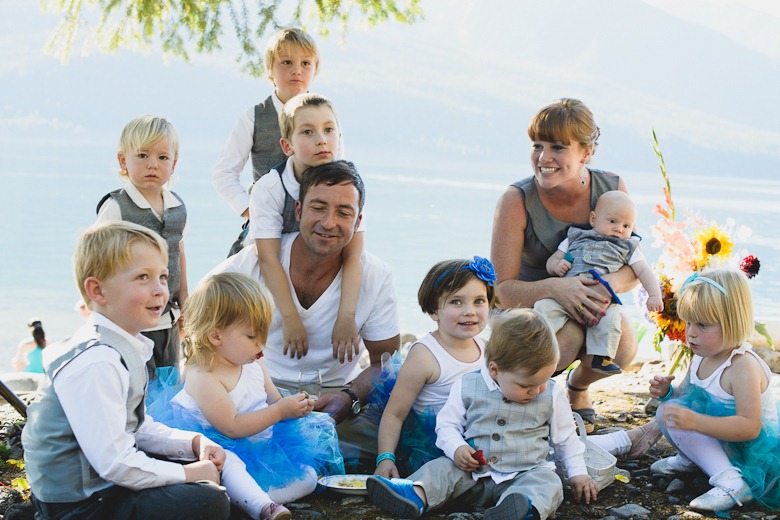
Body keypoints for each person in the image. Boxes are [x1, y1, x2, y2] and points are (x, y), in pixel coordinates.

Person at [22, 221, 230, 520]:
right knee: (206, 502)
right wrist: (187, 474)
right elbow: (115, 462)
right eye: (142, 277)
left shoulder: (123, 345)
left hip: (102, 487)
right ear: (97, 290)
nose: (160, 290)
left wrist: (191, 444)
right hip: (80, 506)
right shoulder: (97, 361)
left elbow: (134, 427)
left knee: (203, 470)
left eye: (162, 276)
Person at [209, 160, 399, 469]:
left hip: (333, 405)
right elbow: (199, 330)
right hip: (256, 400)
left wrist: (348, 397)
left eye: (343, 213)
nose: (328, 222)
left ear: (358, 220)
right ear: (298, 211)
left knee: (398, 435)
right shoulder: (250, 265)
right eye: (318, 208)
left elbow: (386, 362)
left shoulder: (375, 275)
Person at [490, 98, 639, 432]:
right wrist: (558, 288)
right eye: (537, 146)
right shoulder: (516, 200)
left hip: (589, 297)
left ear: (586, 153)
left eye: (557, 147)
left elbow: (633, 265)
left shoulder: (612, 189)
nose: (544, 158)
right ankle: (530, 399)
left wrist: (603, 286)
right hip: (528, 306)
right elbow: (499, 292)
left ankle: (577, 388)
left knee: (624, 344)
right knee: (566, 338)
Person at [366, 309, 599, 520]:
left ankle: (522, 508)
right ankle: (415, 495)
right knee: (442, 469)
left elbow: (566, 439)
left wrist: (578, 473)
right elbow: (447, 425)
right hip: (473, 474)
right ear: (494, 369)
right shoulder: (468, 385)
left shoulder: (552, 394)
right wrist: (457, 448)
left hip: (524, 473)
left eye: (543, 382)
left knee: (548, 483)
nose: (537, 390)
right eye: (527, 385)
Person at [148, 272, 344, 520]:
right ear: (216, 336)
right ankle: (262, 507)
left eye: (263, 335)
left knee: (309, 476)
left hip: (261, 447)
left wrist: (293, 407)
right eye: (252, 336)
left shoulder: (252, 362)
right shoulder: (203, 375)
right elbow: (231, 427)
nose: (260, 345)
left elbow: (272, 400)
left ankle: (244, 496)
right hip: (220, 448)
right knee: (228, 461)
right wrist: (279, 411)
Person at [650, 270, 777, 512]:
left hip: (744, 450)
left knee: (678, 415)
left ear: (733, 322)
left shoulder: (742, 366)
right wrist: (667, 393)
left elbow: (750, 428)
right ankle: (693, 460)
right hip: (718, 438)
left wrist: (697, 422)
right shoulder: (701, 357)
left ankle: (733, 482)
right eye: (688, 322)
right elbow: (685, 399)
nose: (691, 332)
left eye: (702, 325)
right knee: (668, 411)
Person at [250, 93, 364, 362]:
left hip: (316, 260)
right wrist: (290, 318)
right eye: (308, 132)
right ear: (287, 146)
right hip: (270, 261)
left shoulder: (349, 186)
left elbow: (355, 254)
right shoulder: (270, 187)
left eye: (328, 130)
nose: (321, 139)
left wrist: (346, 317)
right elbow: (267, 258)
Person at [374, 257, 496, 478]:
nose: (470, 311)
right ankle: (415, 495)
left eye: (479, 301)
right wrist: (385, 458)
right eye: (456, 302)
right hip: (437, 447)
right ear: (433, 311)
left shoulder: (487, 350)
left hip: (479, 439)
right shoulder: (425, 356)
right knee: (446, 474)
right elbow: (394, 414)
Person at [212, 27, 319, 255]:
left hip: (312, 232)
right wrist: (250, 210)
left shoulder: (325, 117)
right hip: (264, 233)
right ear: (270, 70)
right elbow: (223, 174)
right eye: (286, 62)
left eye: (305, 64)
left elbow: (337, 172)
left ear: (315, 70)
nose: (296, 71)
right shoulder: (254, 117)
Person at [96, 115, 187, 377]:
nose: (152, 165)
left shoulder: (177, 206)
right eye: (143, 155)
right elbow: (97, 261)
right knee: (133, 384)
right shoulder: (116, 207)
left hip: (166, 317)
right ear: (123, 160)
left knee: (168, 382)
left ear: (174, 163)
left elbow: (178, 250)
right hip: (129, 320)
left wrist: (185, 296)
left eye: (162, 158)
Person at [534, 190, 662, 374]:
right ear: (593, 219)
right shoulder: (575, 237)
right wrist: (556, 266)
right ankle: (537, 336)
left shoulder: (629, 247)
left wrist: (654, 294)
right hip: (565, 294)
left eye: (627, 225)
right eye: (612, 222)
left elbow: (642, 270)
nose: (619, 229)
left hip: (600, 299)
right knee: (545, 306)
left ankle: (602, 356)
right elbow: (554, 259)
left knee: (611, 319)